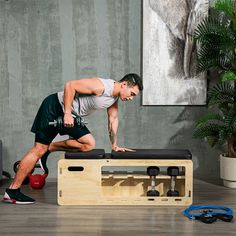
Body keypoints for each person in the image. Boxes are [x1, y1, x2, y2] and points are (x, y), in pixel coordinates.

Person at [3, 73, 143, 204]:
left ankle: (49, 148)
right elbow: (70, 85)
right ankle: (12, 191)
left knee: (88, 144)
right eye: (132, 94)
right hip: (55, 106)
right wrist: (67, 113)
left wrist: (115, 144)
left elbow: (113, 119)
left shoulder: (113, 99)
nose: (131, 98)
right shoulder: (101, 86)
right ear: (124, 84)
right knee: (39, 148)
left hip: (72, 115)